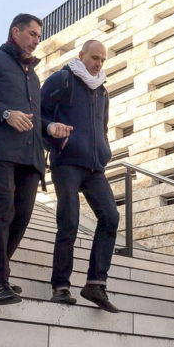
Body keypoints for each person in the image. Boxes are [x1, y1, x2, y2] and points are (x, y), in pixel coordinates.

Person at [0, 14, 71, 304]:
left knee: (21, 217)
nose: (38, 40)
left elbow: (35, 119)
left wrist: (50, 129)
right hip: (0, 150)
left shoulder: (33, 76)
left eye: (39, 36)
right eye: (33, 34)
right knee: (2, 211)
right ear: (16, 32)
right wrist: (5, 113)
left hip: (31, 156)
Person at [42, 40, 120, 312]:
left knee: (111, 217)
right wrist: (52, 130)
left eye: (103, 59)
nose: (99, 63)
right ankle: (60, 285)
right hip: (66, 162)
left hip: (95, 166)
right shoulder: (62, 79)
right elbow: (39, 114)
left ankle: (96, 283)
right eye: (94, 57)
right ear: (81, 55)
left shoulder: (103, 92)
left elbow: (104, 126)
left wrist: (105, 151)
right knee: (69, 221)